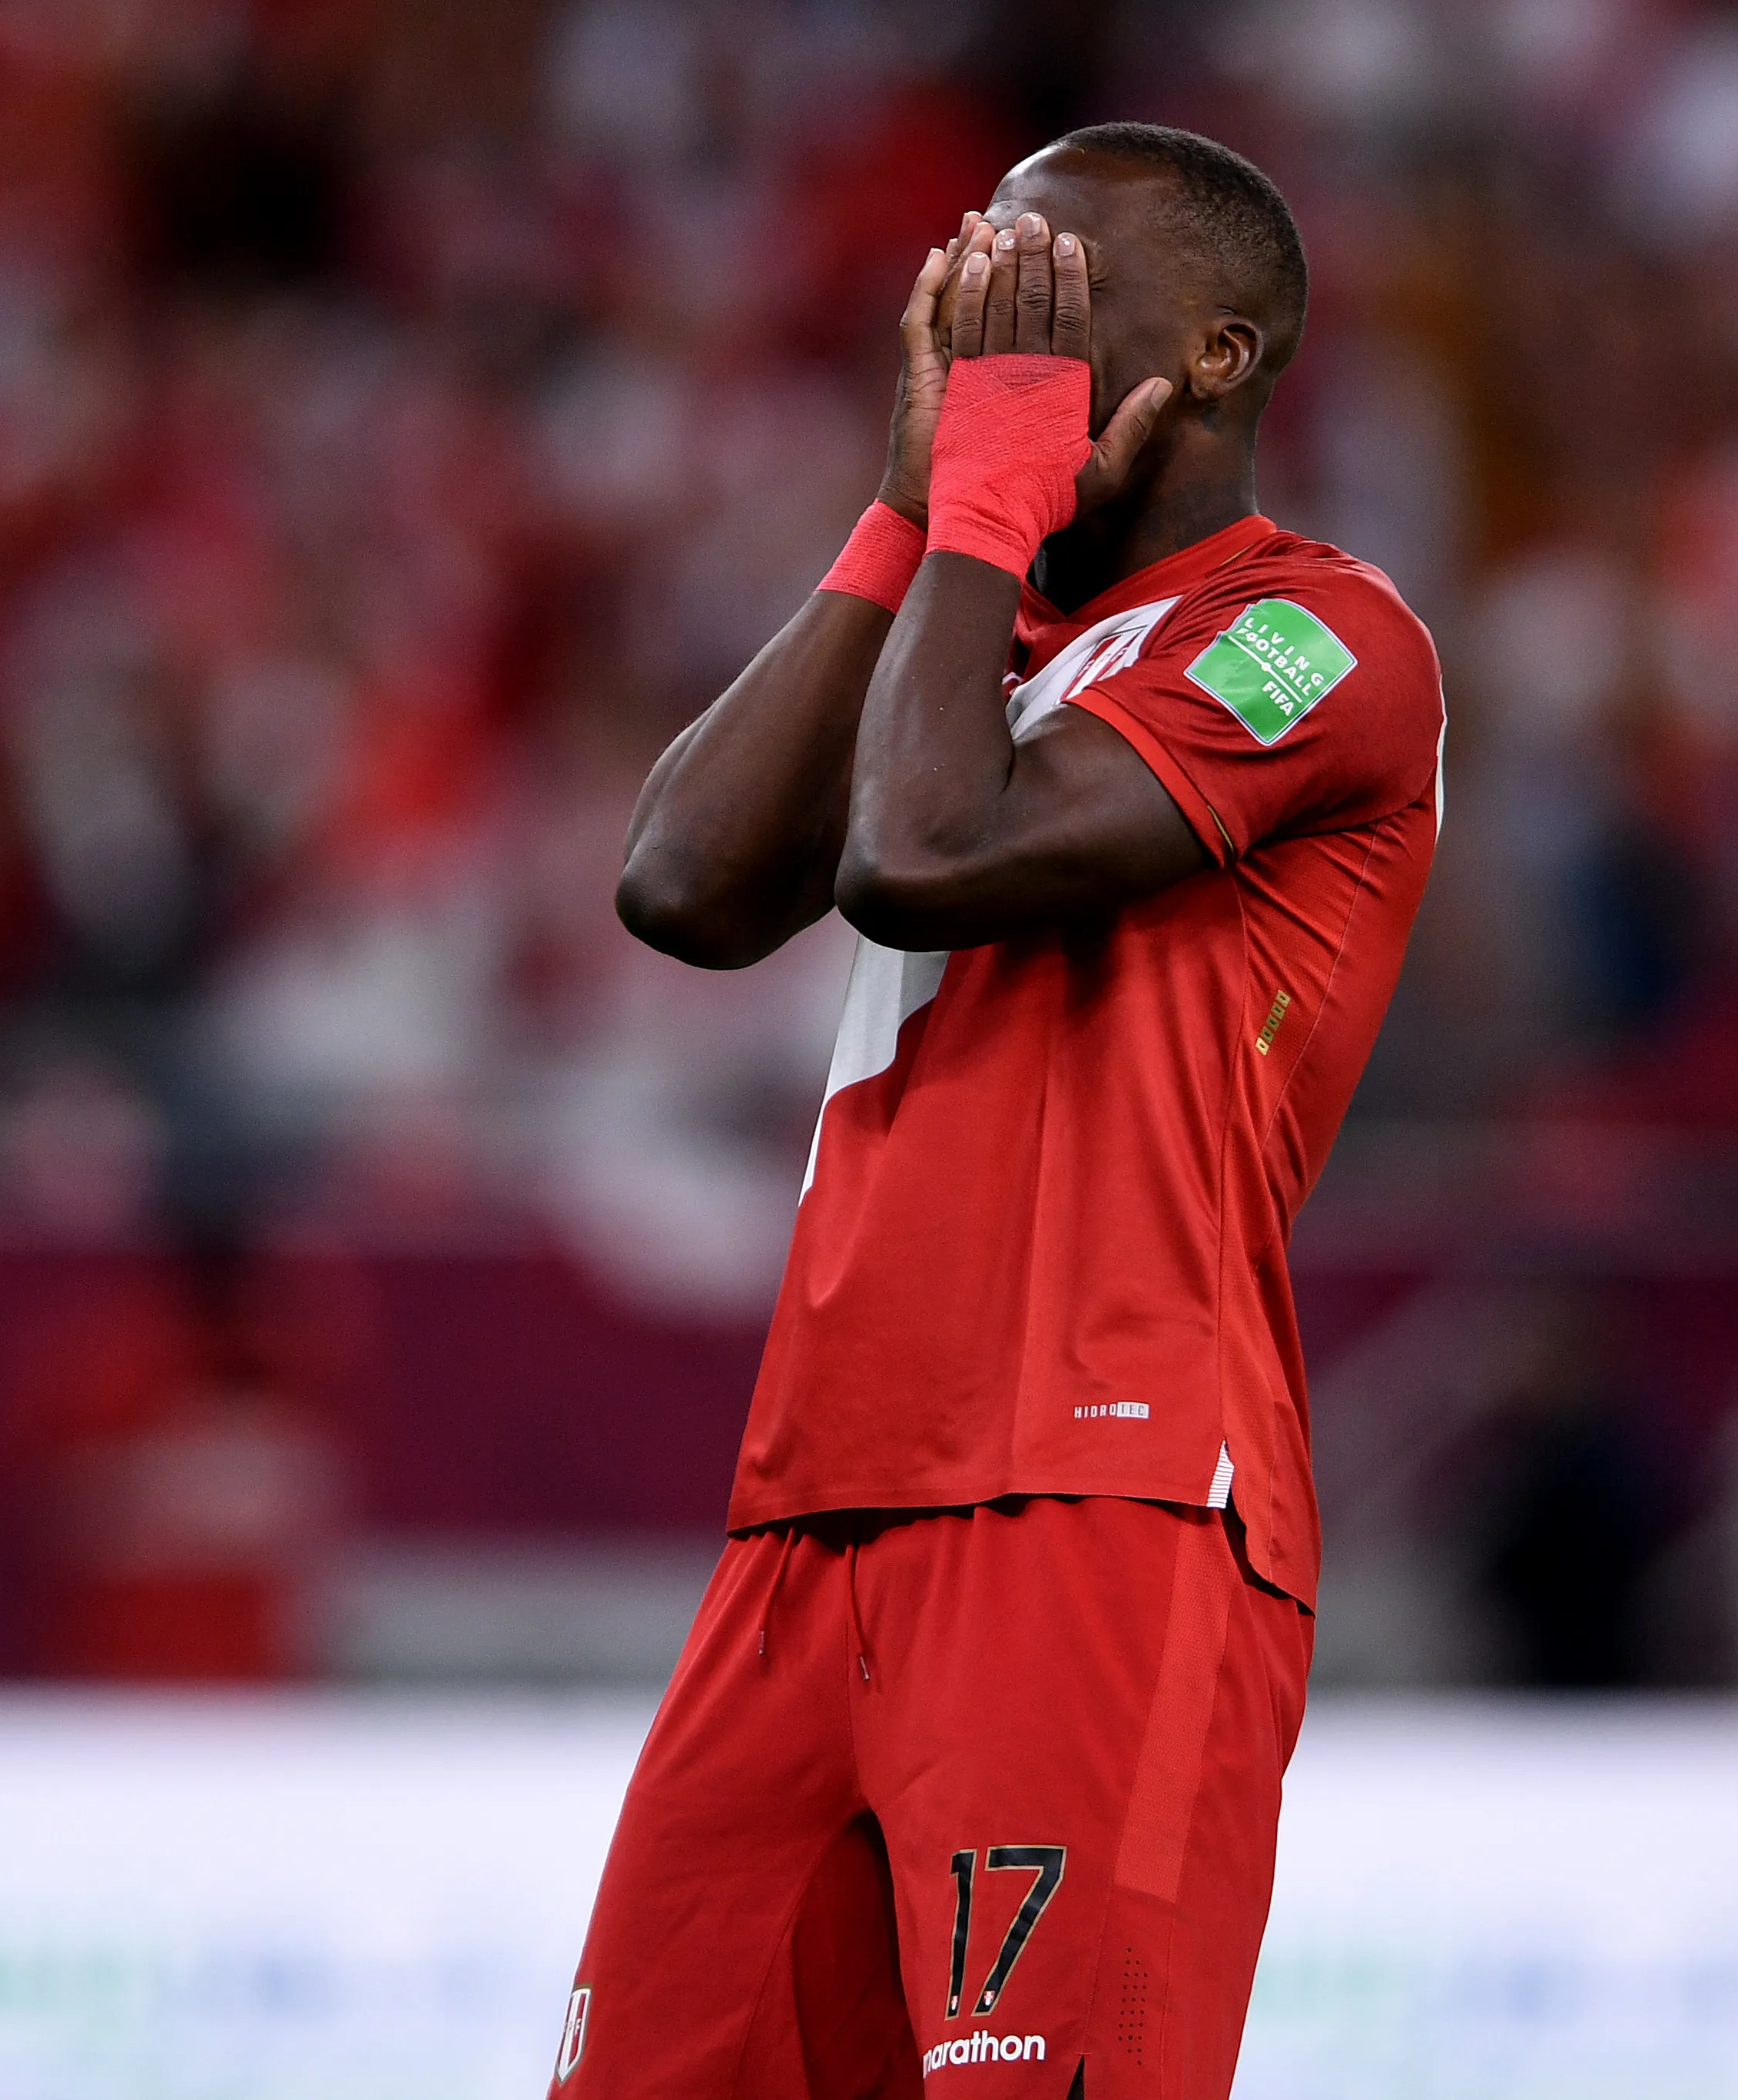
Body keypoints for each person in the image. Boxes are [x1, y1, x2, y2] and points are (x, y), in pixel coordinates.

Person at [551, 125, 1444, 2100]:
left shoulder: (1323, 638)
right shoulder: (979, 647)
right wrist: (905, 510)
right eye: (974, 292)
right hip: (813, 1505)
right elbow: (684, 884)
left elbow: (926, 851)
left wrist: (981, 508)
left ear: (1213, 358)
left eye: (1047, 298)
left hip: (1098, 1487)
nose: (990, 335)